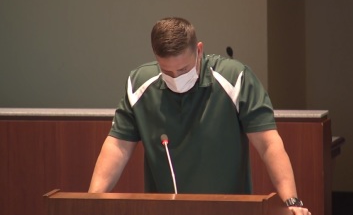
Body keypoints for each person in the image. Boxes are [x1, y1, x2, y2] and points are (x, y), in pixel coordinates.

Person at [89, 17, 310, 215]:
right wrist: (91, 202)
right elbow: (117, 147)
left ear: (199, 50)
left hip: (230, 208)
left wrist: (291, 201)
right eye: (167, 71)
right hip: (165, 209)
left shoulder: (235, 78)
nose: (176, 78)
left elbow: (269, 144)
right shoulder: (140, 84)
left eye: (184, 70)